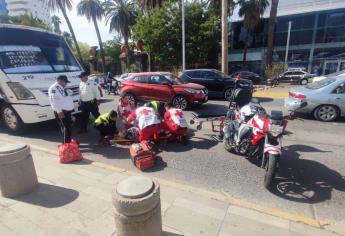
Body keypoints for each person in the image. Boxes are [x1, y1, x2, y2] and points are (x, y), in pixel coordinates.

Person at [48, 75, 74, 143]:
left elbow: (64, 98)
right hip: (61, 112)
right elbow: (54, 100)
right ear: (60, 81)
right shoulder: (54, 88)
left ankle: (67, 141)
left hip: (66, 111)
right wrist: (59, 112)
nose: (66, 83)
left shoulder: (60, 87)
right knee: (66, 128)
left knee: (67, 127)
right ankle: (66, 144)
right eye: (65, 82)